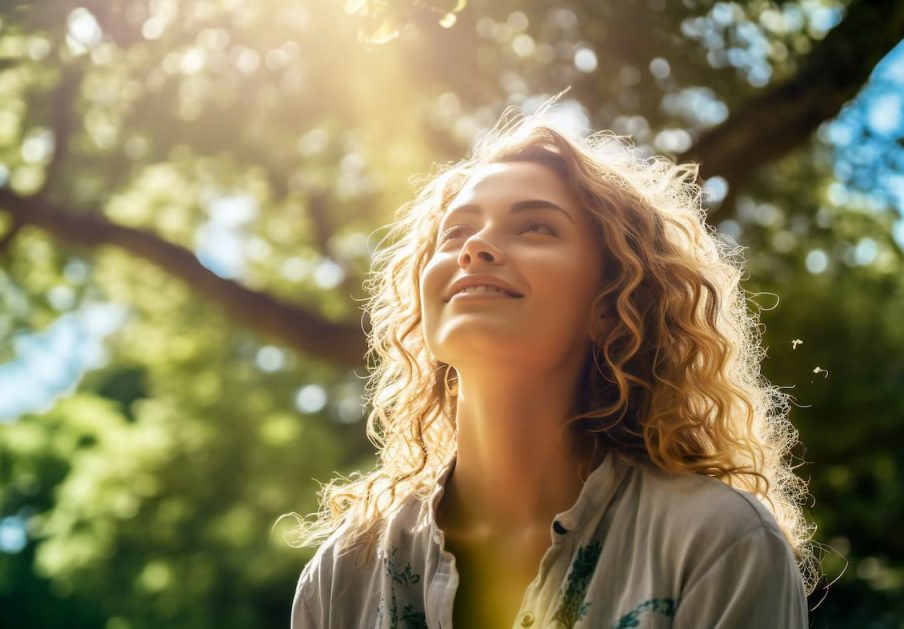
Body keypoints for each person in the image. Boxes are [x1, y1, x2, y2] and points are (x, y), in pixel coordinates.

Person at [286, 103, 815, 628]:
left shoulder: (717, 543)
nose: (475, 247)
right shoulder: (342, 577)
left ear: (612, 305)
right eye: (455, 232)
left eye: (535, 227)